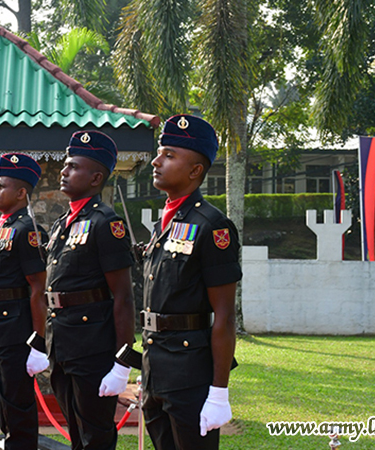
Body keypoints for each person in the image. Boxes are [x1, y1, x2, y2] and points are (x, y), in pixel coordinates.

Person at [141, 114, 241, 450]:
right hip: (155, 367)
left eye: (169, 155)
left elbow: (225, 316)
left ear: (195, 170)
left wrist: (219, 392)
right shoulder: (164, 225)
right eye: (159, 153)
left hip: (189, 374)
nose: (156, 162)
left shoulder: (212, 225)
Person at [45, 130, 135, 450]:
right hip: (61, 342)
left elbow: (123, 296)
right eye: (65, 165)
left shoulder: (106, 222)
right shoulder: (61, 224)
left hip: (92, 345)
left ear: (96, 178)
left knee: (95, 434)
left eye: (73, 167)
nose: (64, 171)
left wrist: (122, 361)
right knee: (75, 430)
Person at [0, 153, 49, 449]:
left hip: (15, 331)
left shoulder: (27, 229)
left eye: (1, 186)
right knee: (2, 403)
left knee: (17, 407)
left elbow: (38, 287)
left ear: (20, 193)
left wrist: (38, 342)